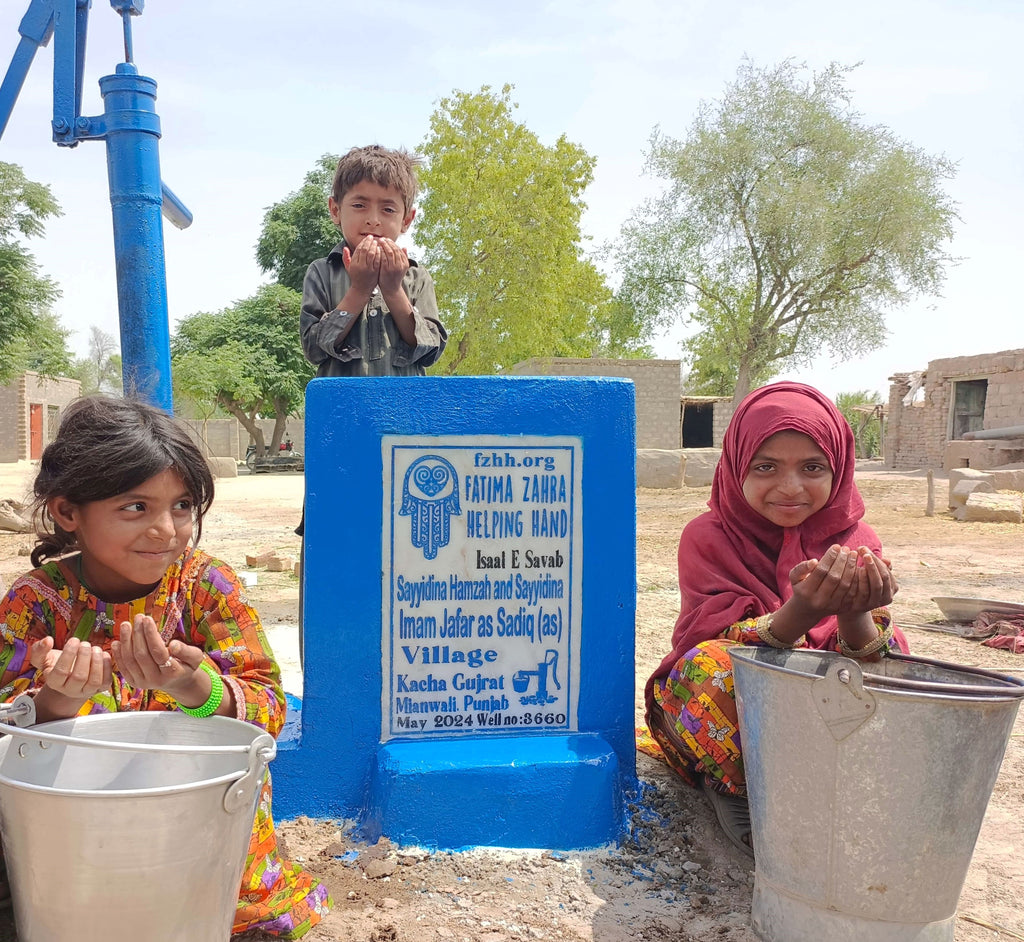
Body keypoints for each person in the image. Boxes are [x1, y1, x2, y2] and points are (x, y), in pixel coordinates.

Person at [0, 396, 331, 938]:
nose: (166, 530)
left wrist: (192, 686)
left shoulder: (206, 589)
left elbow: (268, 711)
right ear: (67, 512)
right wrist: (57, 700)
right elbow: (9, 737)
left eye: (181, 506)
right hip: (75, 842)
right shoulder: (35, 604)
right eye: (135, 507)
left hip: (203, 835)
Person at [644, 382, 909, 857]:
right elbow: (713, 642)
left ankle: (823, 787)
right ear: (736, 466)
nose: (790, 487)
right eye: (765, 467)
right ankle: (734, 789)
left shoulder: (857, 539)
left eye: (813, 468)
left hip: (818, 710)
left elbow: (871, 663)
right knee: (708, 668)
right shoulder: (708, 537)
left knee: (900, 687)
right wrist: (800, 612)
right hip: (742, 720)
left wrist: (855, 613)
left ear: (840, 468)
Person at [299, 143, 447, 381]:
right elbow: (314, 349)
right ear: (335, 210)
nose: (373, 220)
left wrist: (392, 289)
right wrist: (359, 289)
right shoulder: (322, 272)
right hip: (343, 410)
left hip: (404, 411)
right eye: (359, 205)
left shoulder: (417, 277)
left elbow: (431, 349)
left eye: (388, 209)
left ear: (406, 220)